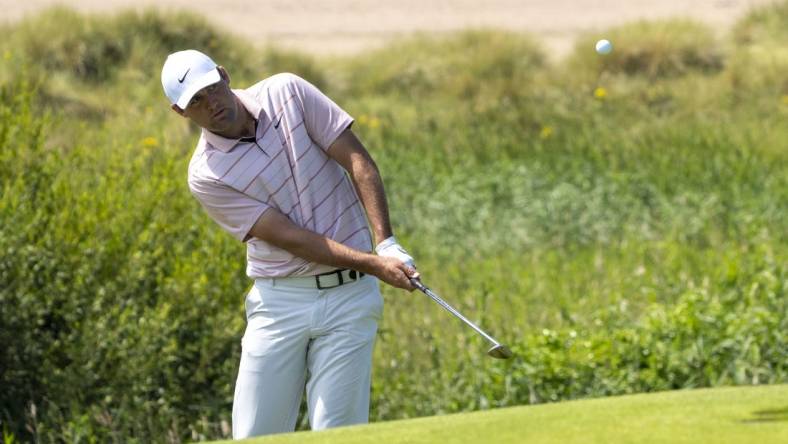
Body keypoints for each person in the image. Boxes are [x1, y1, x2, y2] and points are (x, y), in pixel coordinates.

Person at [161, 49, 419, 439]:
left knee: (339, 434)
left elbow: (358, 161)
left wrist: (387, 244)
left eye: (211, 88)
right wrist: (374, 264)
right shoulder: (206, 175)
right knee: (254, 435)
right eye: (195, 101)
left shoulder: (288, 92)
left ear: (224, 75)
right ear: (180, 112)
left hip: (350, 299)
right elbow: (290, 237)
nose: (211, 104)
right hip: (280, 304)